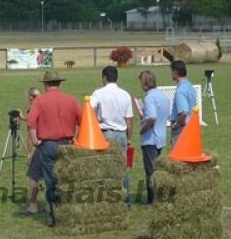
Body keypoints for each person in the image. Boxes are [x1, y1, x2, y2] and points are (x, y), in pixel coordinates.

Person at [27, 70, 82, 226]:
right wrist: (75, 138)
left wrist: (35, 141)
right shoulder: (71, 99)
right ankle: (68, 210)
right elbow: (83, 120)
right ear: (59, 83)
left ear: (45, 84)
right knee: (66, 178)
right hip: (68, 145)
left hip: (48, 145)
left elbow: (31, 123)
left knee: (51, 180)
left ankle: (54, 213)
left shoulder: (40, 101)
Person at [90, 65, 133, 203]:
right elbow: (129, 120)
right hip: (121, 134)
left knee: (104, 168)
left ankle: (106, 199)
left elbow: (89, 109)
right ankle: (125, 199)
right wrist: (129, 138)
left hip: (105, 134)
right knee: (122, 168)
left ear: (104, 78)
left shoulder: (98, 93)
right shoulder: (125, 94)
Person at [137, 70, 170, 204]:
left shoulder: (149, 97)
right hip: (161, 137)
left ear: (144, 83)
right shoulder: (163, 96)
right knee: (157, 169)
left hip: (150, 139)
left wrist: (142, 128)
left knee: (151, 171)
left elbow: (152, 117)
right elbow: (165, 116)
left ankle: (153, 200)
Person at [19, 86, 44, 215]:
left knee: (33, 177)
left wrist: (29, 154)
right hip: (50, 144)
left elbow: (30, 135)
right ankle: (50, 205)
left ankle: (33, 205)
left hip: (38, 147)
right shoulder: (44, 107)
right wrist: (23, 117)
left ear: (30, 98)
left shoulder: (33, 109)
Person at [170, 60, 196, 146]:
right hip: (191, 127)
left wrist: (176, 124)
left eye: (171, 71)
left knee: (179, 158)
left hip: (181, 130)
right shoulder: (190, 86)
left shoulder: (180, 90)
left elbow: (184, 113)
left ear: (175, 72)